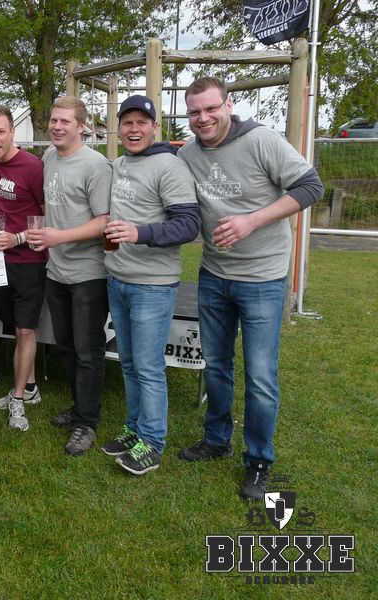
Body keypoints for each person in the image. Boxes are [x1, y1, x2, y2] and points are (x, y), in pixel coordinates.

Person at [176, 77, 323, 499]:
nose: (203, 118)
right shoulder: (188, 154)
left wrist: (251, 221)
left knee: (260, 376)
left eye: (211, 108)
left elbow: (311, 186)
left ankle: (258, 461)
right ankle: (216, 439)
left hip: (263, 278)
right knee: (215, 365)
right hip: (213, 275)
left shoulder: (262, 140)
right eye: (194, 112)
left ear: (228, 105)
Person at [100, 95, 200, 475]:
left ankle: (153, 443)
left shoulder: (169, 167)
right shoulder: (119, 164)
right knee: (127, 363)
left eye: (142, 122)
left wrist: (139, 232)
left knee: (149, 367)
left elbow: (188, 226)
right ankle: (134, 429)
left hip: (153, 285)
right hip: (119, 278)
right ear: (119, 128)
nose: (134, 129)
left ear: (155, 127)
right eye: (127, 123)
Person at [27, 96, 112, 456]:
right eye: (54, 121)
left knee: (88, 351)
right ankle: (79, 407)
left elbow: (104, 221)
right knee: (66, 347)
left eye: (66, 122)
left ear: (82, 126)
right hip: (56, 270)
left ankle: (87, 423)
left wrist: (58, 237)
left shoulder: (96, 165)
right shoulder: (49, 157)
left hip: (88, 273)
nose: (58, 127)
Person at [0, 105, 46, 432]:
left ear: (12, 133)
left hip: (29, 261)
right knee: (14, 327)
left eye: (0, 131)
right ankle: (30, 387)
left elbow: (49, 216)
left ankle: (18, 399)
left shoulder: (33, 167)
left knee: (25, 330)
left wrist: (18, 238)